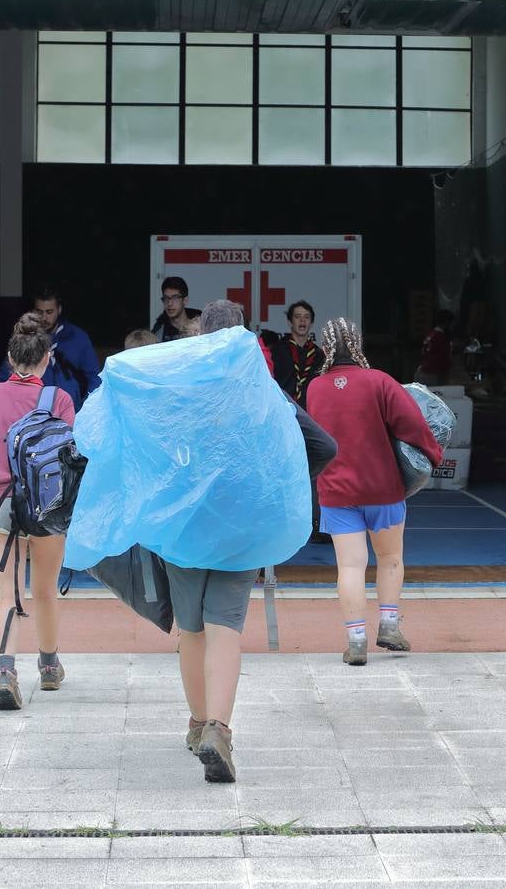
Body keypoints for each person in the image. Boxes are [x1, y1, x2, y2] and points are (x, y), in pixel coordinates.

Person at [174, 300, 336, 782]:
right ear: (247, 338)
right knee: (225, 623)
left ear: (202, 333)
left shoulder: (181, 389)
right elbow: (324, 446)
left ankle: (198, 721)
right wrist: (283, 483)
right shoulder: (265, 393)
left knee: (190, 628)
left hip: (184, 525)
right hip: (242, 522)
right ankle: (220, 731)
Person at [0, 312, 75, 710]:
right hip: (45, 508)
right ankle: (49, 666)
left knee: (7, 592)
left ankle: (5, 672)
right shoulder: (59, 400)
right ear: (47, 358)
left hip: (0, 503)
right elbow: (71, 458)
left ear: (9, 356)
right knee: (44, 591)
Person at [307, 317, 443, 666]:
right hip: (382, 489)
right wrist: (433, 455)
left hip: (337, 493)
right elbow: (412, 424)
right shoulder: (379, 381)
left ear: (325, 347)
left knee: (350, 568)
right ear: (358, 343)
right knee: (390, 558)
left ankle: (355, 641)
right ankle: (389, 626)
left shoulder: (315, 388)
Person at [0, 289, 101, 410]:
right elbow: (5, 377)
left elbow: (94, 378)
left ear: (59, 310)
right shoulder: (24, 338)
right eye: (39, 312)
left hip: (72, 412)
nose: (44, 317)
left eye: (49, 312)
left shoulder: (78, 337)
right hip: (31, 413)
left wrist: (86, 409)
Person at [272, 299, 323, 404]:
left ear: (312, 323)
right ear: (290, 322)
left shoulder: (319, 354)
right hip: (284, 407)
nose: (302, 320)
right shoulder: (278, 350)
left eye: (307, 317)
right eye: (297, 317)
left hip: (309, 410)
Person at [153, 276, 201, 341]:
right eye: (166, 298)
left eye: (175, 298)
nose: (169, 303)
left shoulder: (201, 325)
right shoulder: (159, 331)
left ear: (185, 300)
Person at [414, 309, 454, 385]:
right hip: (431, 375)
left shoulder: (431, 334)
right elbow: (443, 359)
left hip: (423, 371)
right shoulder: (441, 338)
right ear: (447, 323)